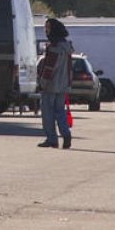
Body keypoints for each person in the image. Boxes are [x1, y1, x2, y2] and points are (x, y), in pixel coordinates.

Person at [36, 17, 74, 149]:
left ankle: (51, 138)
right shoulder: (67, 48)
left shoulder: (53, 48)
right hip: (63, 86)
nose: (45, 31)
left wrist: (42, 83)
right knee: (60, 111)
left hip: (50, 86)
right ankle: (66, 134)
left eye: (47, 28)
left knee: (47, 113)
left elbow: (49, 69)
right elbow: (69, 69)